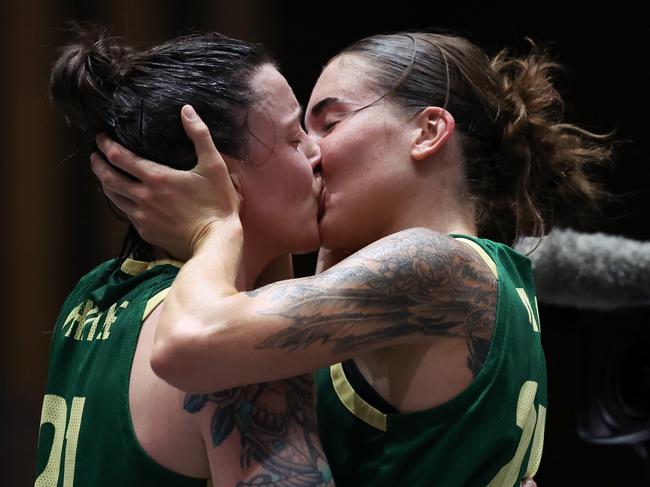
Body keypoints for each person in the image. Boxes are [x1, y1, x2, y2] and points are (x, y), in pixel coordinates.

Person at [90, 31, 607, 486]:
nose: (308, 154)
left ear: (427, 133)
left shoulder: (432, 267)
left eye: (329, 123)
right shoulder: (456, 273)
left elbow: (192, 344)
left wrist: (213, 227)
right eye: (298, 136)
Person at [36, 26, 334, 486]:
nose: (319, 152)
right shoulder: (231, 350)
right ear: (224, 178)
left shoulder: (89, 294)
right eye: (296, 138)